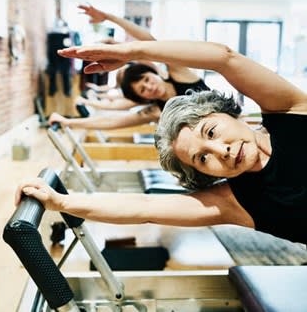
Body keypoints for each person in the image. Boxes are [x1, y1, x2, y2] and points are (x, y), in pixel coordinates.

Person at [16, 39, 307, 245]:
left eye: (211, 132)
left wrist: (132, 51)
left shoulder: (290, 112)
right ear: (205, 175)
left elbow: (225, 58)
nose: (222, 151)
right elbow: (144, 208)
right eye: (203, 159)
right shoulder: (233, 203)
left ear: (223, 112)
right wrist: (61, 201)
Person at [49, 4, 210, 130]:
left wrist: (109, 17)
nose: (149, 87)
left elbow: (149, 42)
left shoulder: (179, 73)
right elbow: (111, 122)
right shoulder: (156, 110)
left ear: (152, 72)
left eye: (146, 79)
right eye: (142, 90)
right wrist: (67, 122)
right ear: (143, 98)